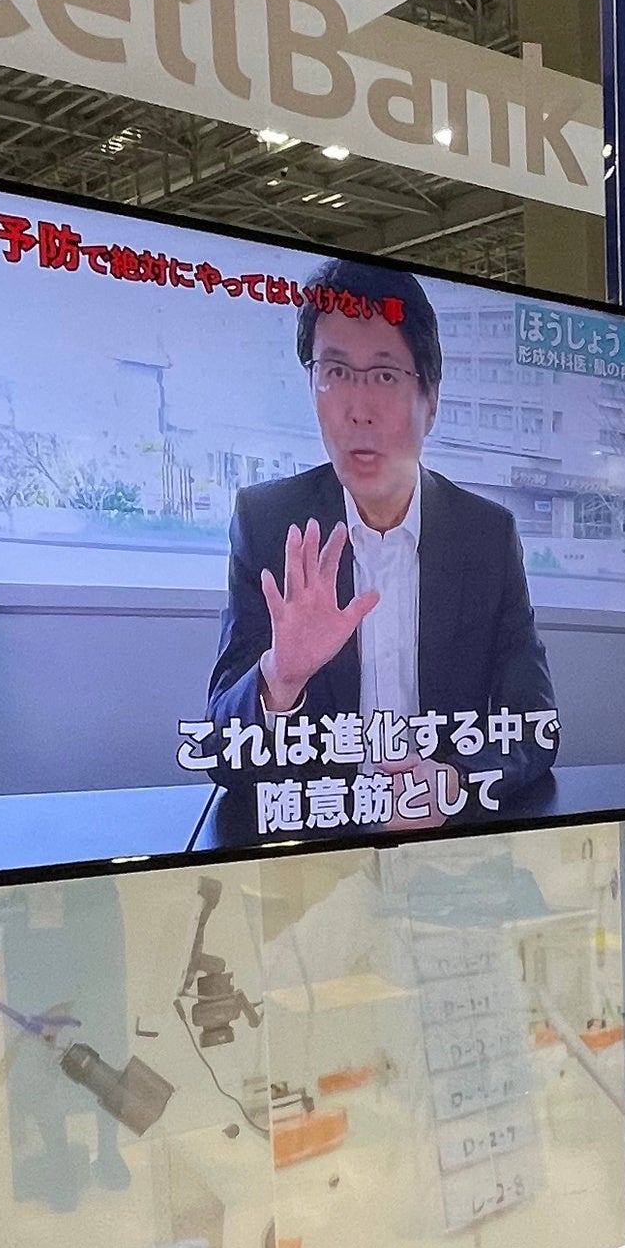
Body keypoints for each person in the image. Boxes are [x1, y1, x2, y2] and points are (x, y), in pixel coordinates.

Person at [204, 261, 556, 829]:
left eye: (386, 376)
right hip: (315, 845)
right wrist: (281, 677)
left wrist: (457, 782)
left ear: (430, 399)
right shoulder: (269, 524)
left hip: (441, 844)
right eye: (335, 372)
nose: (357, 409)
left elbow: (535, 726)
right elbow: (221, 754)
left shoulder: (486, 536)